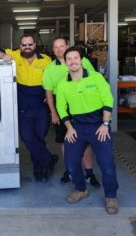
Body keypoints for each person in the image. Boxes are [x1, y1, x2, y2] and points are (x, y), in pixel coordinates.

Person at [56, 46, 119, 214]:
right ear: (65, 62)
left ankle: (111, 196)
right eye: (69, 59)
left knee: (106, 164)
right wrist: (69, 128)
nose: (73, 61)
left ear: (81, 60)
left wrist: (105, 124)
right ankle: (80, 188)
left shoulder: (96, 77)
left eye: (76, 58)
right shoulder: (63, 85)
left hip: (99, 126)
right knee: (70, 163)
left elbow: (108, 99)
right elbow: (61, 107)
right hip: (76, 127)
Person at [0, 34, 58, 182]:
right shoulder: (14, 55)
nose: (27, 47)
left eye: (30, 44)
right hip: (22, 103)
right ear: (20, 46)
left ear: (35, 45)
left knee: (39, 137)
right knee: (27, 137)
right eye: (24, 45)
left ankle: (39, 170)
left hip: (41, 102)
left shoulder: (46, 60)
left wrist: (52, 99)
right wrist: (3, 55)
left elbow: (53, 80)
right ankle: (48, 159)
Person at [43, 38, 100, 187]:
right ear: (53, 50)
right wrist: (54, 113)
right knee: (65, 140)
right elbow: (48, 93)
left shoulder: (82, 61)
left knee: (85, 140)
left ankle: (89, 173)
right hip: (62, 106)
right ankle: (69, 170)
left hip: (83, 104)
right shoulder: (49, 68)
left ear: (67, 46)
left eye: (62, 46)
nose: (59, 49)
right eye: (55, 47)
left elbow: (94, 82)